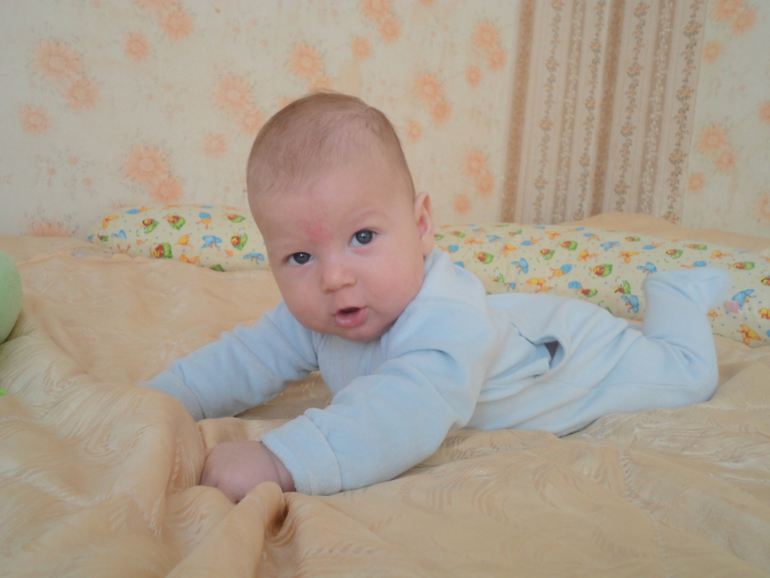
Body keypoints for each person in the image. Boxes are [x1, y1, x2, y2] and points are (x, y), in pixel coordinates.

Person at [142, 92, 731, 502]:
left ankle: (673, 291)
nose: (333, 278)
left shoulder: (447, 321)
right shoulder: (322, 313)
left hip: (583, 356)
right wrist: (159, 399)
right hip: (509, 322)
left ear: (421, 225)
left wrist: (281, 459)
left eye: (363, 237)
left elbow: (402, 412)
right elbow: (245, 358)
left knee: (688, 375)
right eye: (300, 257)